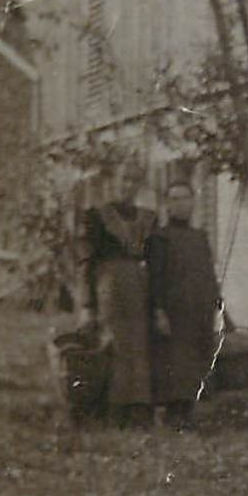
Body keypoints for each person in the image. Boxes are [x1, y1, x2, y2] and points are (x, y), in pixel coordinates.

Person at [79, 158, 156, 428]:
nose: (128, 186)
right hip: (108, 285)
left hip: (138, 286)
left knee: (139, 345)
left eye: (134, 180)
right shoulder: (98, 217)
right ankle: (112, 411)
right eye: (124, 179)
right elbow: (87, 262)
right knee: (113, 343)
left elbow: (155, 260)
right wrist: (87, 304)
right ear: (113, 182)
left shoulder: (148, 218)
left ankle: (139, 409)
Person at [146, 180, 223, 431]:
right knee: (175, 361)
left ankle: (189, 411)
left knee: (197, 359)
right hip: (174, 311)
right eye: (175, 199)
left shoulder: (199, 237)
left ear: (193, 202)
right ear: (168, 205)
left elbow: (208, 273)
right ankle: (173, 413)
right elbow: (155, 277)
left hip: (199, 309)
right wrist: (158, 312)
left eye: (186, 198)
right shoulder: (159, 238)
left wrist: (216, 303)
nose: (181, 204)